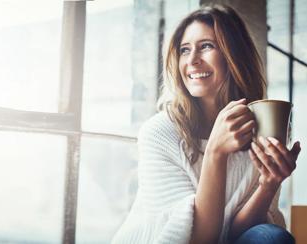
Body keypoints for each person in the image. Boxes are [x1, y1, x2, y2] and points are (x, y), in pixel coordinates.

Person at [112, 4, 301, 244]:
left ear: (234, 56)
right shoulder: (159, 133)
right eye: (184, 50)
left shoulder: (259, 131)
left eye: (206, 47)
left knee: (271, 237)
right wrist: (215, 151)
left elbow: (235, 234)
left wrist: (268, 183)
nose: (192, 60)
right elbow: (199, 239)